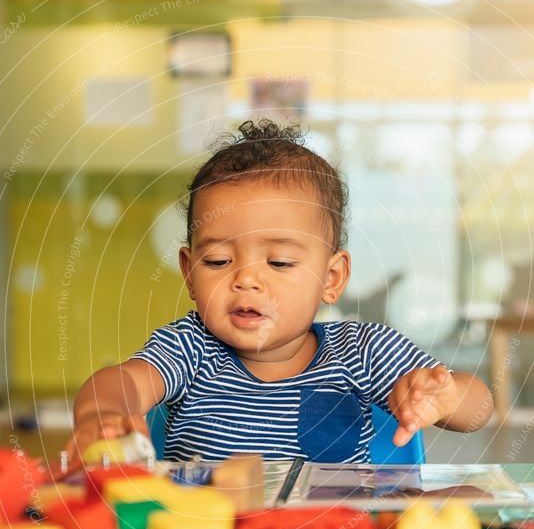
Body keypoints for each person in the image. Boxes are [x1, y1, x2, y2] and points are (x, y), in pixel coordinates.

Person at [68, 119, 493, 464]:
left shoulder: (363, 352)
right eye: (218, 261)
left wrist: (446, 395)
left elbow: (479, 409)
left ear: (331, 278)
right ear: (190, 274)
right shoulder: (188, 348)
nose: (247, 280)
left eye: (280, 263)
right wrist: (103, 414)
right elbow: (120, 381)